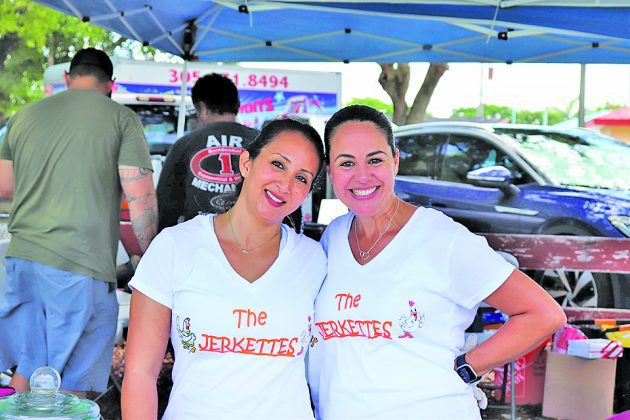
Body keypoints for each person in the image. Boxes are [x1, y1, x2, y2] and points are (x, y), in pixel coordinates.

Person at [308, 105, 566, 419]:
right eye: (346, 162)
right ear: (330, 171)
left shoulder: (443, 239)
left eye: (375, 159)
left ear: (396, 161)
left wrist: (470, 367)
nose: (362, 175)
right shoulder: (333, 238)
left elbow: (543, 314)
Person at [122, 118, 327, 419]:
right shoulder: (176, 247)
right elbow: (140, 374)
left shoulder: (314, 260)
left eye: (301, 178)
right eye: (278, 164)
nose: (285, 184)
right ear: (246, 162)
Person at [0, 48, 158, 395]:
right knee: (71, 386)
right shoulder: (120, 118)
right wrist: (150, 257)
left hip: (23, 261)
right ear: (111, 85)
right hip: (79, 267)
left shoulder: (24, 116)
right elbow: (141, 197)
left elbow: (5, 187)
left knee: (30, 369)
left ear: (68, 79)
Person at [157, 73, 259, 230]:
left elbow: (166, 206)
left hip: (198, 243)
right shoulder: (263, 141)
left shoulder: (185, 144)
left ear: (203, 108)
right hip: (252, 240)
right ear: (237, 104)